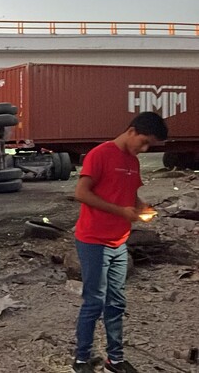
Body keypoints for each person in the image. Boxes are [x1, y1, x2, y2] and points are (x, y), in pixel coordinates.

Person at [71, 112, 168, 373]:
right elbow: (80, 193)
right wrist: (120, 212)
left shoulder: (132, 162)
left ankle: (115, 358)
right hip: (93, 240)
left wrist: (142, 208)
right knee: (94, 302)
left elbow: (131, 194)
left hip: (118, 242)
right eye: (145, 142)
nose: (145, 148)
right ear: (133, 131)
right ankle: (81, 359)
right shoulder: (100, 154)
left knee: (116, 302)